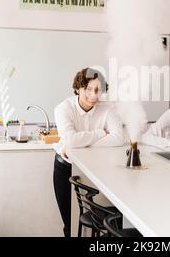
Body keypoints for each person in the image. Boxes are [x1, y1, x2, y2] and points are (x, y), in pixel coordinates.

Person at [53, 68, 124, 237]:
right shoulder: (63, 108)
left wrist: (79, 144)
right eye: (88, 89)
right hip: (66, 168)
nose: (94, 95)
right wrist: (100, 133)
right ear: (78, 88)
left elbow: (119, 138)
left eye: (98, 90)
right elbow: (70, 140)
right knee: (69, 222)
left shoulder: (108, 108)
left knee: (96, 221)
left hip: (99, 170)